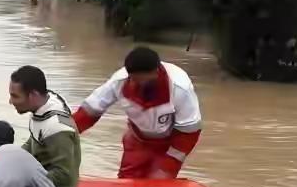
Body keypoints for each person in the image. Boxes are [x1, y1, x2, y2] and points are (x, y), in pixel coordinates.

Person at [72, 47, 202, 179]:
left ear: (156, 72)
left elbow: (189, 132)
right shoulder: (119, 82)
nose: (140, 85)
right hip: (137, 140)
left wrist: (169, 164)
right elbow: (88, 113)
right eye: (135, 80)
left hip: (168, 144)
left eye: (145, 80)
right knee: (126, 180)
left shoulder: (180, 88)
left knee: (158, 183)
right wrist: (64, 133)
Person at [8, 65, 81, 187]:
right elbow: (33, 143)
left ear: (34, 95)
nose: (10, 101)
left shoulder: (56, 128)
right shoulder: (40, 109)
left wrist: (21, 181)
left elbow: (65, 177)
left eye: (15, 96)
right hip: (41, 181)